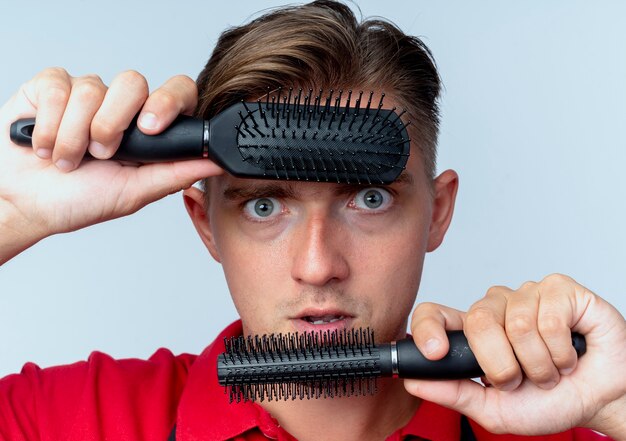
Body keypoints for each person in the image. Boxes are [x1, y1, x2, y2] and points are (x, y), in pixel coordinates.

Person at [0, 1, 624, 440]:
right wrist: (8, 213)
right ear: (203, 223)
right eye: (265, 205)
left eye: (369, 199)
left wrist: (620, 403)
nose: (318, 264)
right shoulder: (66, 421)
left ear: (439, 212)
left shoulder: (561, 431)